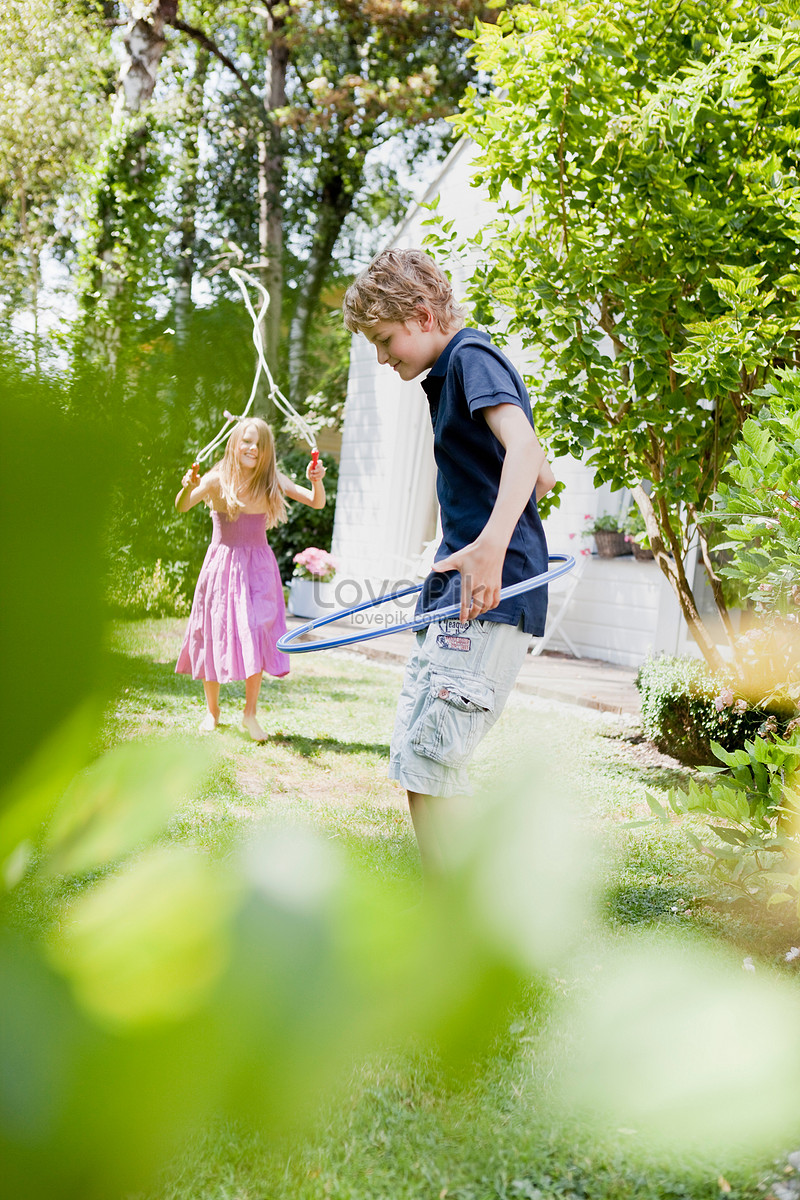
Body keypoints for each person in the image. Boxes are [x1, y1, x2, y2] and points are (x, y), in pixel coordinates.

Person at [342, 248, 556, 873]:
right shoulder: (451, 374)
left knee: (434, 762)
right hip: (459, 591)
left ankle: (464, 917)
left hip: (492, 592)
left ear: (421, 313)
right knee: (419, 757)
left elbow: (525, 449)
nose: (383, 358)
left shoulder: (469, 356)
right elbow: (540, 476)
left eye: (385, 341)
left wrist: (489, 550)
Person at [175, 417, 326, 741]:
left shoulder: (270, 480)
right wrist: (188, 485)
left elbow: (316, 501)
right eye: (246, 440)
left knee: (258, 630)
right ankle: (212, 712)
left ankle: (250, 714)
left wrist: (316, 480)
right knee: (214, 632)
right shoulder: (217, 479)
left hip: (258, 567)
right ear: (234, 443)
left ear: (267, 450)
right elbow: (184, 505)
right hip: (222, 565)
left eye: (259, 444)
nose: (252, 448)